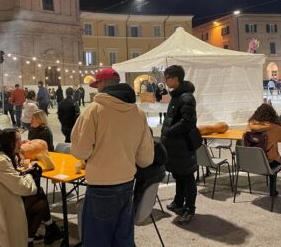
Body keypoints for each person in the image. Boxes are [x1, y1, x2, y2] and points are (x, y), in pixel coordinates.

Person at [71, 67, 154, 247]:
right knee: (123, 239)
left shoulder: (93, 110)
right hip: (126, 184)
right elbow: (146, 159)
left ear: (102, 84)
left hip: (101, 185)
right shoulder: (138, 113)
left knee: (97, 241)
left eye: (97, 84)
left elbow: (80, 152)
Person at [0, 129, 62, 247]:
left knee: (40, 202)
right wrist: (30, 175)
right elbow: (23, 188)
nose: (21, 143)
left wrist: (27, 175)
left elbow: (14, 182)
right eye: (17, 140)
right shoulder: (0, 161)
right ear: (8, 142)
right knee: (39, 198)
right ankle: (43, 232)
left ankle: (33, 238)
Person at [161, 65, 198, 224]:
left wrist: (169, 131)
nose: (165, 80)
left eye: (167, 77)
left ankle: (190, 209)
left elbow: (188, 123)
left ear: (176, 78)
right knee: (178, 174)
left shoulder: (186, 97)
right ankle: (178, 202)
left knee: (187, 177)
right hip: (175, 146)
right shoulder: (177, 96)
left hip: (182, 145)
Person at [246, 103, 281, 195]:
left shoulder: (249, 126)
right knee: (275, 158)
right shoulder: (275, 127)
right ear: (272, 114)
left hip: (250, 161)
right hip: (268, 162)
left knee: (276, 156)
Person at [133, 130, 167, 213]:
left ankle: (133, 210)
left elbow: (137, 172)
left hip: (146, 181)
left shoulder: (144, 152)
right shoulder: (157, 146)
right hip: (157, 177)